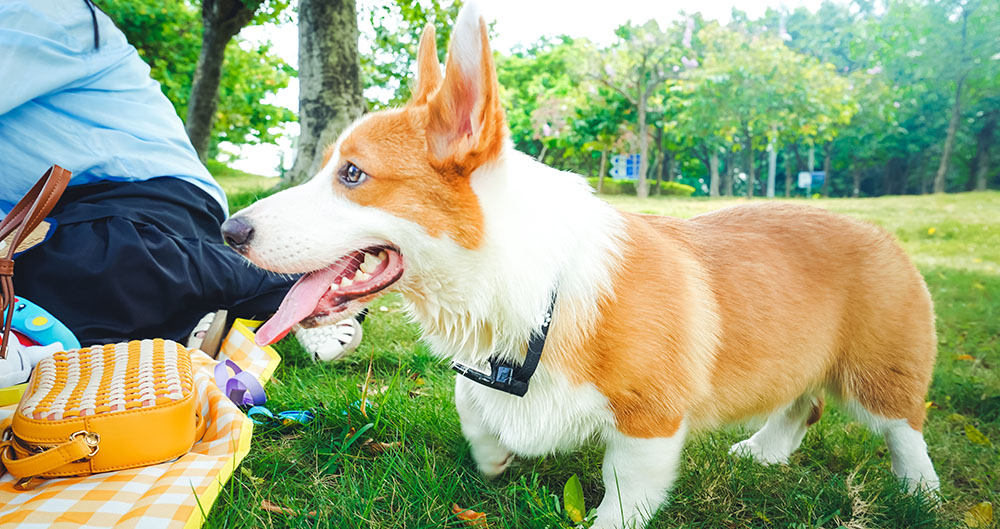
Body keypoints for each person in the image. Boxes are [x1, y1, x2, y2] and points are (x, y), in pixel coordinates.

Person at [0, 0, 359, 359]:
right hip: (45, 223)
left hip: (149, 194)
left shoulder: (37, 12)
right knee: (32, 300)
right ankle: (187, 322)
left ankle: (296, 283)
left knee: (83, 259)